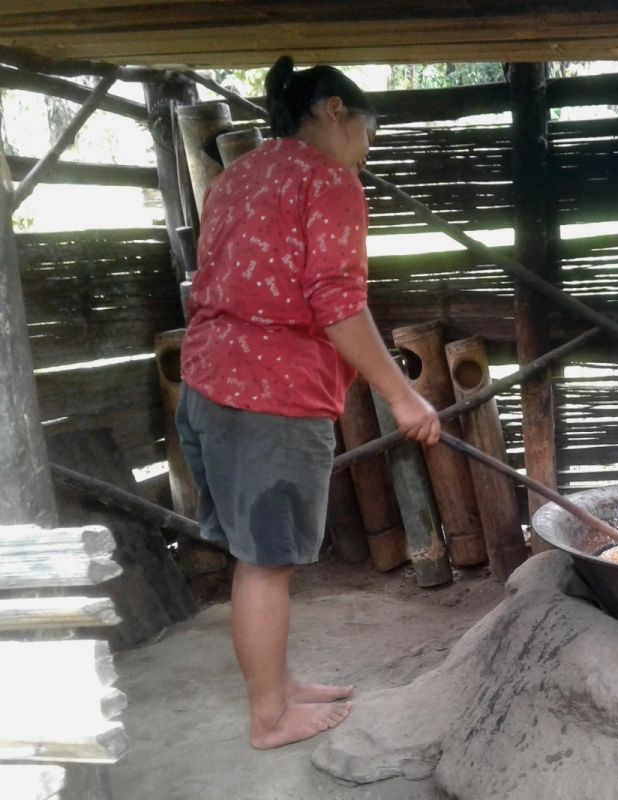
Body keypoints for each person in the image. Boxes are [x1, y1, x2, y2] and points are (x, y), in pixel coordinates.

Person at [176, 55, 440, 750]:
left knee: (254, 556)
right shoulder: (329, 180)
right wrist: (403, 396)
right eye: (367, 133)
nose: (365, 150)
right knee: (265, 565)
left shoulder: (240, 175)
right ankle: (269, 717)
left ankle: (279, 687)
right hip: (271, 397)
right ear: (334, 111)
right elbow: (338, 306)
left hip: (208, 384)